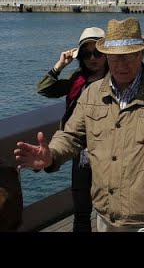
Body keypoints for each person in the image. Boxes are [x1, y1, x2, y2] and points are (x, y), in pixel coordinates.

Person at [15, 18, 144, 232]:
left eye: (129, 56)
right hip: (105, 213)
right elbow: (71, 136)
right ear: (107, 57)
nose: (122, 65)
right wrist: (51, 155)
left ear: (141, 54)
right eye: (115, 58)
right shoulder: (91, 94)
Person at [36, 26, 108, 232]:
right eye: (86, 54)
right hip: (81, 153)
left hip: (109, 152)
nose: (93, 58)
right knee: (81, 212)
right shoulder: (77, 80)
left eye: (98, 53)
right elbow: (44, 89)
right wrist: (59, 65)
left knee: (110, 211)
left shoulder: (118, 80)